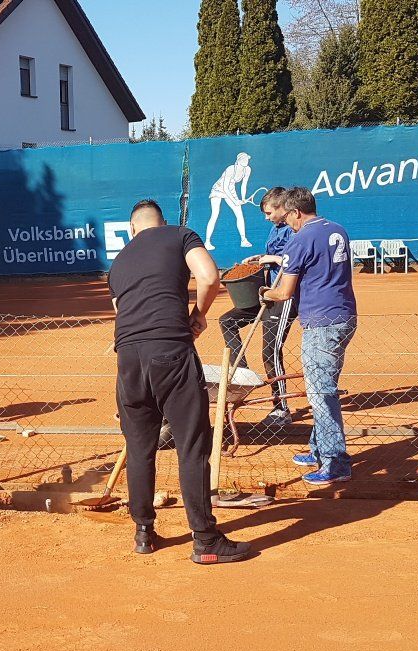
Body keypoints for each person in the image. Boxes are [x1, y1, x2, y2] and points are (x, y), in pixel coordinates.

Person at [108, 199, 252, 564]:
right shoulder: (179, 235)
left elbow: (120, 312)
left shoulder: (119, 261)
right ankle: (205, 540)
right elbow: (209, 276)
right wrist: (197, 315)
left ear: (132, 229)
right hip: (170, 350)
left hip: (128, 359)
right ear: (163, 222)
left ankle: (144, 532)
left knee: (139, 449)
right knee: (191, 446)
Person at [261, 187, 357, 486]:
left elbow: (284, 292)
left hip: (321, 322)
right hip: (344, 315)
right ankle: (318, 449)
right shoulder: (337, 229)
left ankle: (335, 461)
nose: (286, 223)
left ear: (295, 212)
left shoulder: (300, 238)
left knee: (320, 393)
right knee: (323, 387)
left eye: (287, 217)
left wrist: (265, 293)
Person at [218, 186, 298, 425]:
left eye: (269, 212)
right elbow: (275, 256)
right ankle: (242, 372)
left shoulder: (295, 229)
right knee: (227, 321)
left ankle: (281, 408)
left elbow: (296, 260)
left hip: (284, 297)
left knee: (270, 352)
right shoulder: (276, 229)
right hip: (267, 293)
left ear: (282, 207)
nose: (266, 217)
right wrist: (260, 257)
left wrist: (273, 259)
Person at [205, 152, 254, 250]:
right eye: (243, 159)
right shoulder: (231, 169)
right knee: (215, 214)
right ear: (238, 161)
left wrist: (243, 198)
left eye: (247, 159)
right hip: (219, 188)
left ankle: (243, 240)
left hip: (231, 189)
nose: (246, 161)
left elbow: (244, 185)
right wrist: (235, 201)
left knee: (239, 214)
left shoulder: (247, 169)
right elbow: (225, 187)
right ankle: (207, 242)